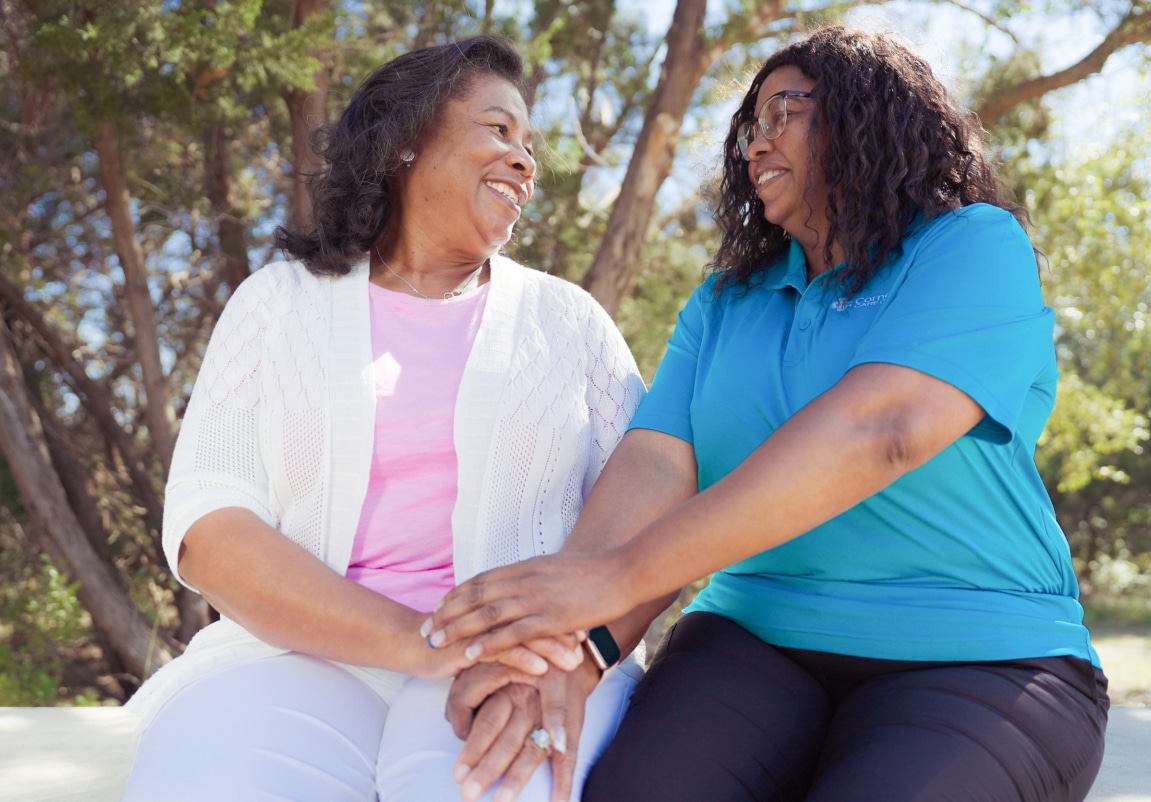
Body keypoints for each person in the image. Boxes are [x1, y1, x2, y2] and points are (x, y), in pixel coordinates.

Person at [423, 25, 1110, 802]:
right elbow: (657, 463)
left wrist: (613, 581)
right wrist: (570, 653)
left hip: (980, 653)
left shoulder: (969, 245)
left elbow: (881, 429)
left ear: (869, 115)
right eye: (750, 124)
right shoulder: (726, 299)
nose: (756, 141)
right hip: (756, 640)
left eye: (785, 110)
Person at [121, 36, 644, 802]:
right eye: (499, 131)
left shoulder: (571, 324)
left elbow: (650, 515)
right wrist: (424, 643)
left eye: (530, 145)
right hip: (295, 659)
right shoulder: (277, 303)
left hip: (522, 666)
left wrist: (573, 651)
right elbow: (209, 529)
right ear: (404, 142)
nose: (526, 162)